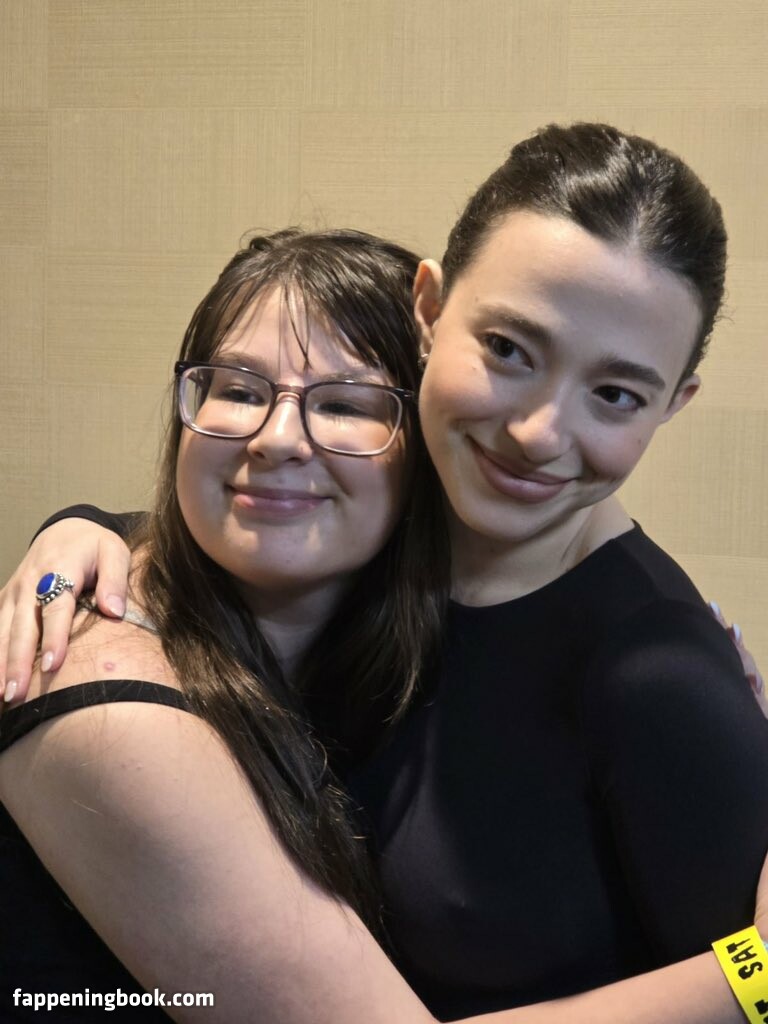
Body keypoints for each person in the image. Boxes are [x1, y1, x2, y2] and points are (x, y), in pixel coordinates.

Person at [2, 125, 768, 1024]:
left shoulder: (659, 674)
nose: (537, 434)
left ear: (671, 403)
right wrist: (78, 531)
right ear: (431, 313)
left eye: (615, 394)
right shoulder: (399, 565)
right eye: (509, 349)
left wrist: (752, 977)